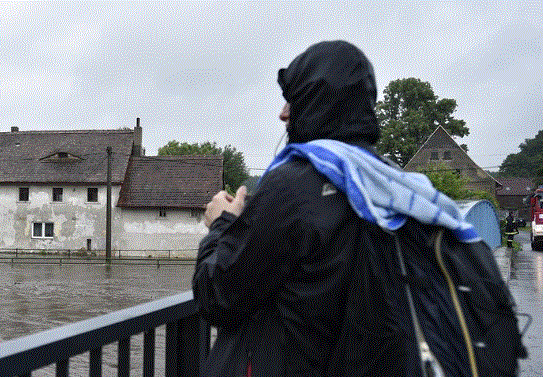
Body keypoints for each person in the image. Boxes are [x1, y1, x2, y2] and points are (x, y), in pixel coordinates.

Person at [193, 41, 525, 376]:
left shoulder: (291, 187)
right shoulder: (393, 183)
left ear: (314, 102)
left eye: (293, 98)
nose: (282, 113)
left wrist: (222, 223)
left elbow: (218, 297)